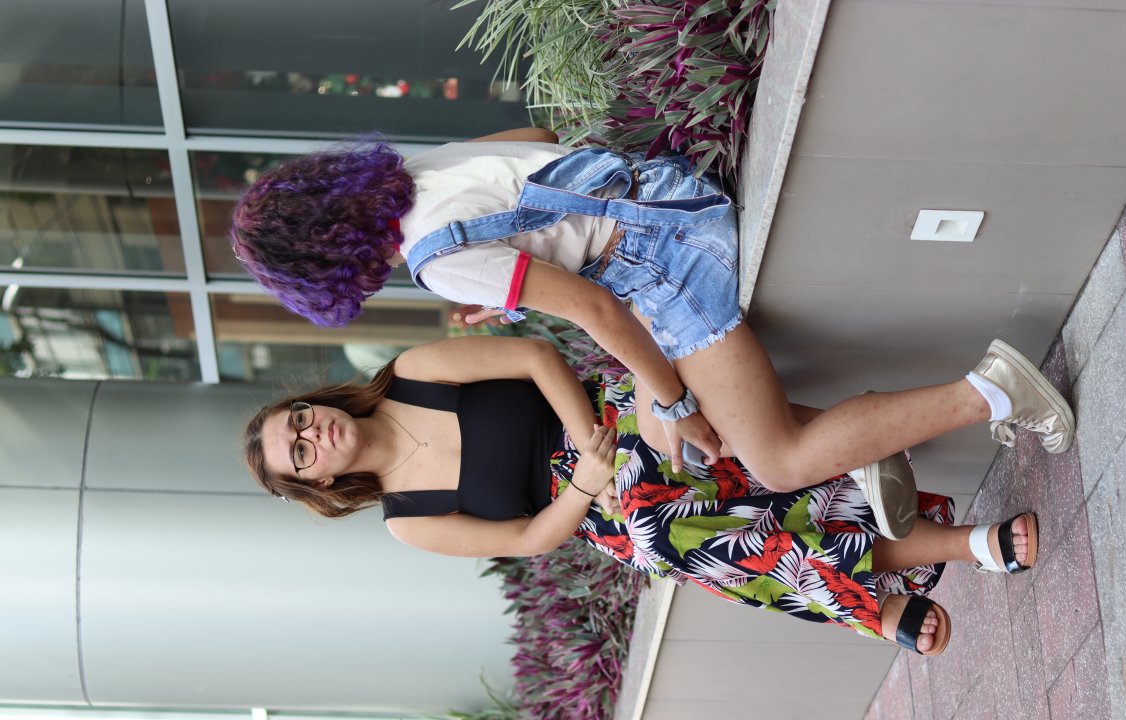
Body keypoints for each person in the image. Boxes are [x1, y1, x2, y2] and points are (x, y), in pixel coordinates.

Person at [230, 129, 1074, 542]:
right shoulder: (413, 177)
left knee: (774, 459)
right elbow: (539, 146)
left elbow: (598, 314)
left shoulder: (433, 261)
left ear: (323, 266)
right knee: (720, 436)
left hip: (663, 254)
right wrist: (516, 274)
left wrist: (668, 400)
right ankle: (875, 439)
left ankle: (991, 391)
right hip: (657, 195)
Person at [244, 335, 1044, 656]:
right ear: (318, 482)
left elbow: (533, 356)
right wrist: (585, 485)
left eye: (301, 418)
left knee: (673, 534)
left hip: (609, 415)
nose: (315, 434)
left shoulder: (413, 373)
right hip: (594, 504)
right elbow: (528, 539)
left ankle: (886, 598)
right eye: (301, 452)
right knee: (679, 535)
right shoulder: (408, 521)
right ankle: (957, 549)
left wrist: (587, 442)